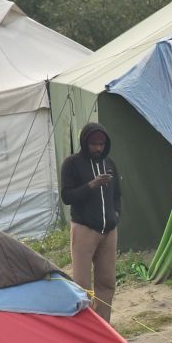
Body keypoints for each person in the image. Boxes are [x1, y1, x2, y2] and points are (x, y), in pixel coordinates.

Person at [60, 123, 121, 322]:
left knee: (107, 282)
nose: (98, 148)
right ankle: (85, 327)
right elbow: (67, 196)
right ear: (85, 143)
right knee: (82, 285)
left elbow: (117, 194)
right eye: (94, 144)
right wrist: (91, 185)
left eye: (102, 144)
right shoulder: (72, 163)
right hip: (85, 229)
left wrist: (116, 214)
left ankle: (104, 326)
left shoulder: (110, 163)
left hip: (109, 230)